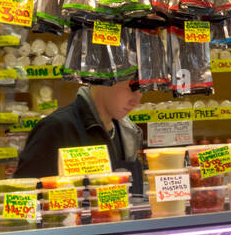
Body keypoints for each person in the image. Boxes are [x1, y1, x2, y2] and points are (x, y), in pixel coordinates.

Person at [14, 78, 144, 190]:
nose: (136, 101)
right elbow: (21, 200)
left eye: (143, 90)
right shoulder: (56, 128)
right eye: (132, 88)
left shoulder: (129, 134)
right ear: (103, 78)